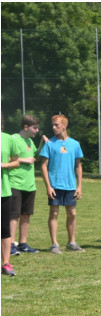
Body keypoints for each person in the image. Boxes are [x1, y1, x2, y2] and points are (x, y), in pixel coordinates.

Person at [39, 114, 84, 254]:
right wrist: (48, 186)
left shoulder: (75, 144)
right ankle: (54, 244)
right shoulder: (50, 144)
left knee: (72, 213)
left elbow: (78, 166)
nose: (53, 127)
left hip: (70, 186)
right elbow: (43, 166)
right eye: (52, 125)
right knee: (54, 213)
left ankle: (71, 242)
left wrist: (79, 185)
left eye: (56, 125)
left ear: (64, 126)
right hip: (55, 185)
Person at [9, 115, 40, 254]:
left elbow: (34, 157)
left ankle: (23, 244)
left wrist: (43, 145)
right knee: (14, 215)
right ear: (26, 127)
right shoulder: (13, 139)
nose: (37, 130)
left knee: (26, 214)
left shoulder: (30, 141)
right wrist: (23, 160)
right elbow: (7, 158)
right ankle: (10, 245)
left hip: (29, 184)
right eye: (35, 128)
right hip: (15, 183)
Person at [2, 126, 23, 276]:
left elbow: (16, 162)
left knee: (4, 229)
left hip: (3, 191)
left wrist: (5, 165)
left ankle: (6, 263)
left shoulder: (8, 139)